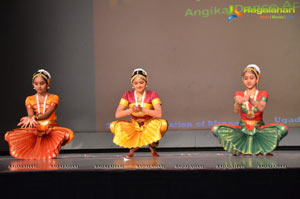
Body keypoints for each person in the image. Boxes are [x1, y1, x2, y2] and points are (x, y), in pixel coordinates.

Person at [212, 64, 288, 156]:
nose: (248, 81)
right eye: (246, 78)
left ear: (257, 79)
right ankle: (240, 148)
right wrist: (238, 103)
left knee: (283, 129)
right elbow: (236, 110)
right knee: (215, 129)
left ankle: (259, 147)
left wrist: (251, 101)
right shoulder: (239, 93)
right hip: (242, 129)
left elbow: (261, 107)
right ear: (243, 80)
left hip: (259, 129)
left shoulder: (263, 93)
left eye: (251, 78)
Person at [5, 69, 74, 159]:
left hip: (50, 129)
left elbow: (47, 114)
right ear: (33, 84)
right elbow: (30, 114)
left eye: (42, 83)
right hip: (36, 129)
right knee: (9, 136)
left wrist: (35, 118)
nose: (39, 86)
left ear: (48, 83)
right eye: (36, 84)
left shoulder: (54, 97)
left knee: (67, 135)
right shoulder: (29, 99)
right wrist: (30, 118)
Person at [110, 68, 168, 158]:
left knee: (163, 124)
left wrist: (143, 110)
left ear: (146, 83)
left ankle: (152, 147)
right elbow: (118, 114)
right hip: (134, 125)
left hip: (149, 124)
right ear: (132, 84)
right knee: (114, 125)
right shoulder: (127, 94)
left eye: (141, 82)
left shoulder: (152, 94)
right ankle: (132, 149)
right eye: (135, 83)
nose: (139, 85)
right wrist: (132, 110)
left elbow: (159, 114)